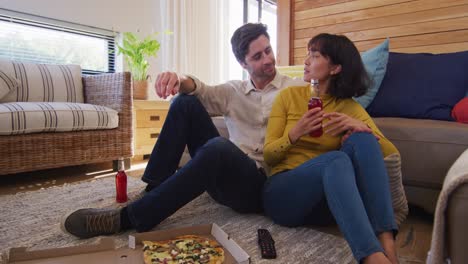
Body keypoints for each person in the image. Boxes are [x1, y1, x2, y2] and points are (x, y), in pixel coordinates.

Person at [61, 23, 305, 238]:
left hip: (253, 186)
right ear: (243, 63)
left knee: (218, 147)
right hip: (222, 178)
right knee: (184, 101)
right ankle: (155, 189)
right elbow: (199, 89)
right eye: (257, 56)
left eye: (268, 51)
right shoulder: (234, 91)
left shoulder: (295, 89)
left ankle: (126, 219)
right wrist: (178, 79)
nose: (267, 59)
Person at [262, 33, 400, 264]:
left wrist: (359, 126)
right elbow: (269, 156)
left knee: (364, 138)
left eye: (314, 56)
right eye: (308, 54)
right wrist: (296, 132)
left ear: (335, 68)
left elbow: (389, 152)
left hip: (325, 204)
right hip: (283, 193)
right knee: (335, 159)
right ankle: (372, 257)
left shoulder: (347, 107)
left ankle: (387, 244)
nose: (306, 61)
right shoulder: (288, 96)